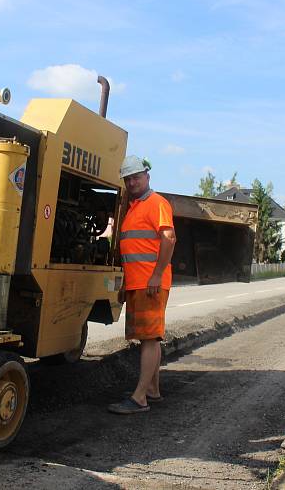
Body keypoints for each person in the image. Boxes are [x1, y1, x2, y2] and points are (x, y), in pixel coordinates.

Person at [108, 155, 176, 415]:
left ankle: (139, 399)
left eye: (136, 176)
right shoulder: (134, 207)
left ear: (147, 176)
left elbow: (169, 239)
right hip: (140, 283)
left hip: (151, 283)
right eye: (128, 178)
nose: (132, 181)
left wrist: (157, 275)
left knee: (149, 338)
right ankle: (153, 391)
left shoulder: (156, 203)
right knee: (149, 337)